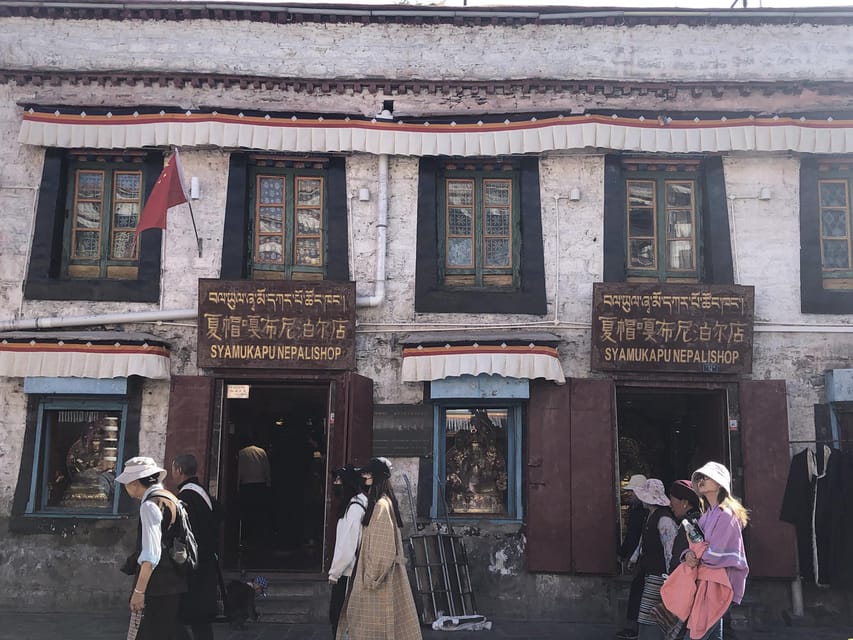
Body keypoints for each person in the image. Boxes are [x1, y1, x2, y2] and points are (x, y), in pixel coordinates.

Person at [335, 457, 422, 640]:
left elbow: (382, 547)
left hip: (375, 579)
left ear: (377, 477)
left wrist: (371, 577)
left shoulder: (381, 505)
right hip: (375, 576)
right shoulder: (382, 502)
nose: (365, 476)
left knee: (371, 627)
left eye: (369, 473)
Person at [117, 456, 187, 640]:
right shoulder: (170, 498)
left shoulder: (149, 505)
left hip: (157, 586)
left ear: (134, 483)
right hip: (174, 580)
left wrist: (139, 592)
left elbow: (151, 554)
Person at [683, 462, 749, 640]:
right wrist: (688, 555)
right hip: (709, 583)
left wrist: (693, 554)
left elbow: (716, 555)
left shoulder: (726, 515)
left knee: (696, 634)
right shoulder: (709, 515)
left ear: (719, 483)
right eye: (700, 478)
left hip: (719, 584)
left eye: (707, 476)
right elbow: (696, 548)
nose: (702, 480)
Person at [171, 454, 223, 640]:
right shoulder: (202, 493)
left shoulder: (185, 497)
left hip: (193, 566)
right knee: (199, 620)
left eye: (173, 470)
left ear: (179, 470)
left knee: (178, 614)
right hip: (206, 560)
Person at [631, 479, 678, 640]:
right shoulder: (650, 517)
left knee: (650, 614)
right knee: (646, 612)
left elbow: (669, 550)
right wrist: (635, 557)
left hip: (659, 574)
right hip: (648, 570)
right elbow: (642, 541)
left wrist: (670, 576)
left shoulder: (664, 520)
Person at [328, 463, 368, 637]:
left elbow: (347, 546)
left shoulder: (354, 509)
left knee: (341, 617)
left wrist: (334, 573)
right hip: (350, 570)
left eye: (339, 480)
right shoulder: (357, 503)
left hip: (347, 572)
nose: (335, 483)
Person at [617, 474, 648, 640]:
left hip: (642, 558)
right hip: (642, 556)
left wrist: (622, 554)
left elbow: (633, 537)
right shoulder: (645, 511)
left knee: (638, 591)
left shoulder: (639, 513)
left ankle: (635, 628)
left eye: (632, 491)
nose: (629, 495)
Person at [237, 437, 271, 549]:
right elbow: (266, 469)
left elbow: (239, 471)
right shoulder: (261, 452)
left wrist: (238, 486)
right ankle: (259, 538)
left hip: (246, 485)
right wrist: (268, 484)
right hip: (260, 485)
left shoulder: (241, 453)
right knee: (260, 513)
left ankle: (247, 539)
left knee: (247, 513)